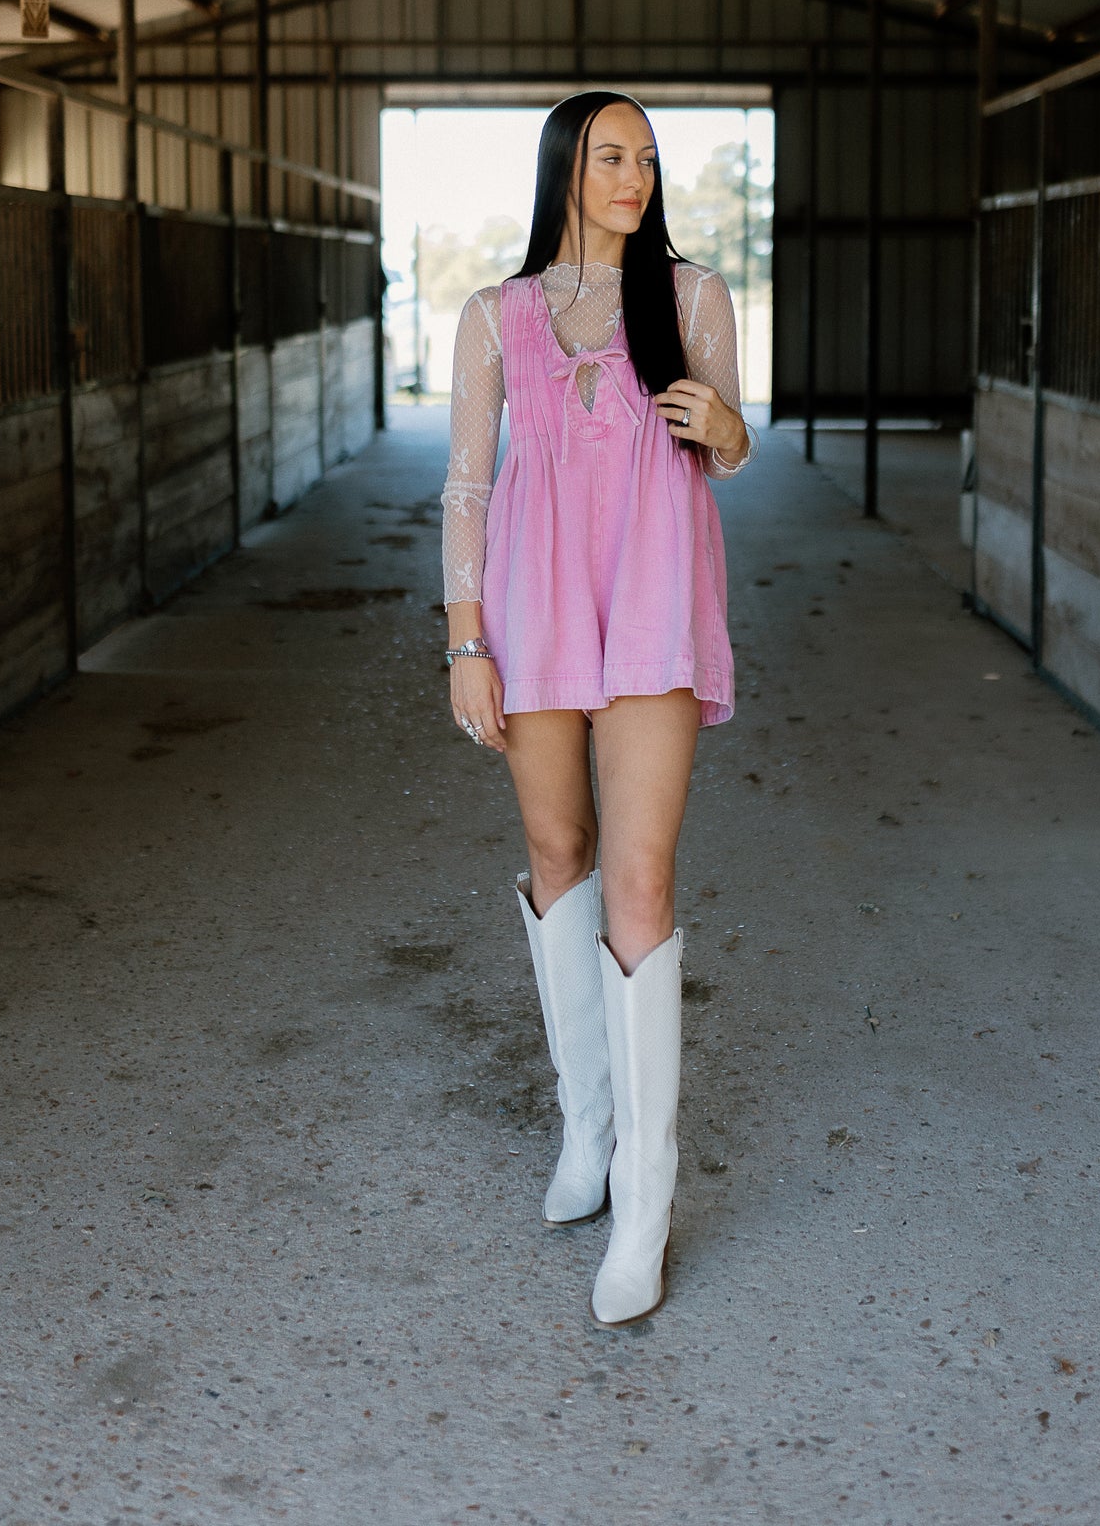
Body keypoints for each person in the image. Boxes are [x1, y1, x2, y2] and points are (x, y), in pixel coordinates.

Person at [440, 90, 756, 1327]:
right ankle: (587, 1125)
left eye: (645, 157)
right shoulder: (493, 315)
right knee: (556, 853)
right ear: (563, 167)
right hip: (529, 618)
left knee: (639, 879)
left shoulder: (689, 298)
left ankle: (644, 1196)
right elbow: (466, 486)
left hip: (651, 616)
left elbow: (728, 448)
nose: (633, 174)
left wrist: (723, 422)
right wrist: (465, 641)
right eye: (609, 155)